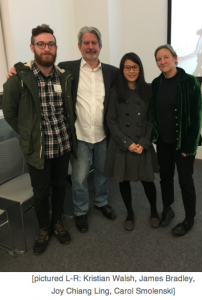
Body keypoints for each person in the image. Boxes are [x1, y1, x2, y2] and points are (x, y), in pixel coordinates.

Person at [6, 26, 119, 233]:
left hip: (102, 135)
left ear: (100, 46)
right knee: (79, 178)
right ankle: (80, 211)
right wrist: (15, 71)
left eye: (94, 43)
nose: (90, 47)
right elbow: (37, 67)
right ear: (79, 46)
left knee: (103, 173)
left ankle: (101, 202)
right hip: (79, 136)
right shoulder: (68, 69)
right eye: (86, 43)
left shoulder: (111, 72)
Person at [3, 24, 77, 254]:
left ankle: (57, 222)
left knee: (59, 186)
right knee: (41, 191)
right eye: (41, 44)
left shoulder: (64, 77)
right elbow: (10, 113)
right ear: (32, 47)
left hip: (62, 144)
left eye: (50, 44)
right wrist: (28, 134)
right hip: (38, 150)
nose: (46, 48)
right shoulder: (19, 79)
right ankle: (44, 228)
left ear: (56, 47)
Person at [151, 44, 202, 236]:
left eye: (166, 57)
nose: (162, 61)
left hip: (184, 144)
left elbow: (197, 117)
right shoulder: (156, 84)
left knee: (185, 181)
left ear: (175, 58)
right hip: (163, 143)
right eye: (158, 59)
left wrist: (189, 147)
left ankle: (189, 218)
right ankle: (167, 208)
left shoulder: (190, 82)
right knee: (165, 178)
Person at [104, 52, 159, 231]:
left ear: (140, 69)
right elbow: (111, 120)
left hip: (142, 144)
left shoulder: (148, 90)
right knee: (124, 181)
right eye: (127, 67)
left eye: (135, 67)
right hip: (123, 145)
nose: (131, 71)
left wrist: (143, 142)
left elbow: (152, 120)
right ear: (122, 70)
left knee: (148, 181)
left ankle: (153, 211)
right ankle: (130, 213)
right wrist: (127, 143)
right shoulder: (115, 90)